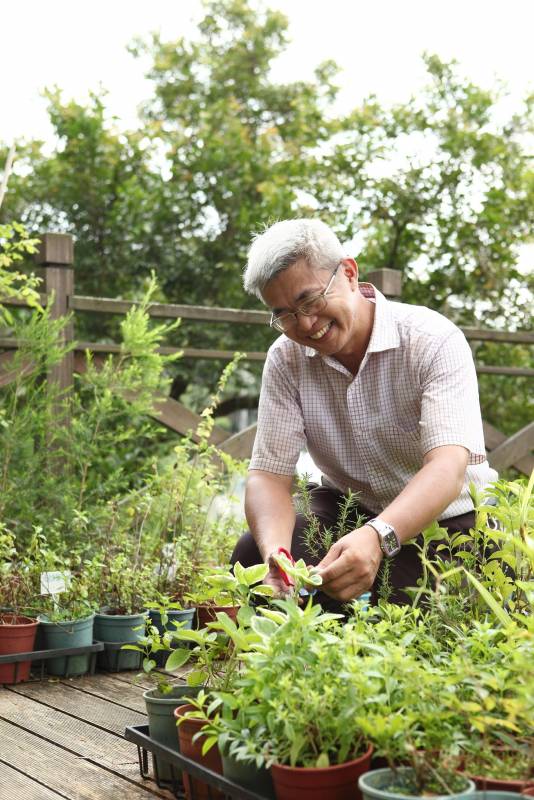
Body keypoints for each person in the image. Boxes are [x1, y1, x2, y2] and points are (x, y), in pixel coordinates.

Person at [231, 219, 497, 607]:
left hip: (449, 522)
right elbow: (268, 476)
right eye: (285, 314)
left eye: (311, 300)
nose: (306, 323)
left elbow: (448, 467)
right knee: (254, 558)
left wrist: (378, 537)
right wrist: (279, 553)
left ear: (349, 274)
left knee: (399, 605)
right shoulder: (285, 359)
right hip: (348, 509)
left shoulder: (433, 340)